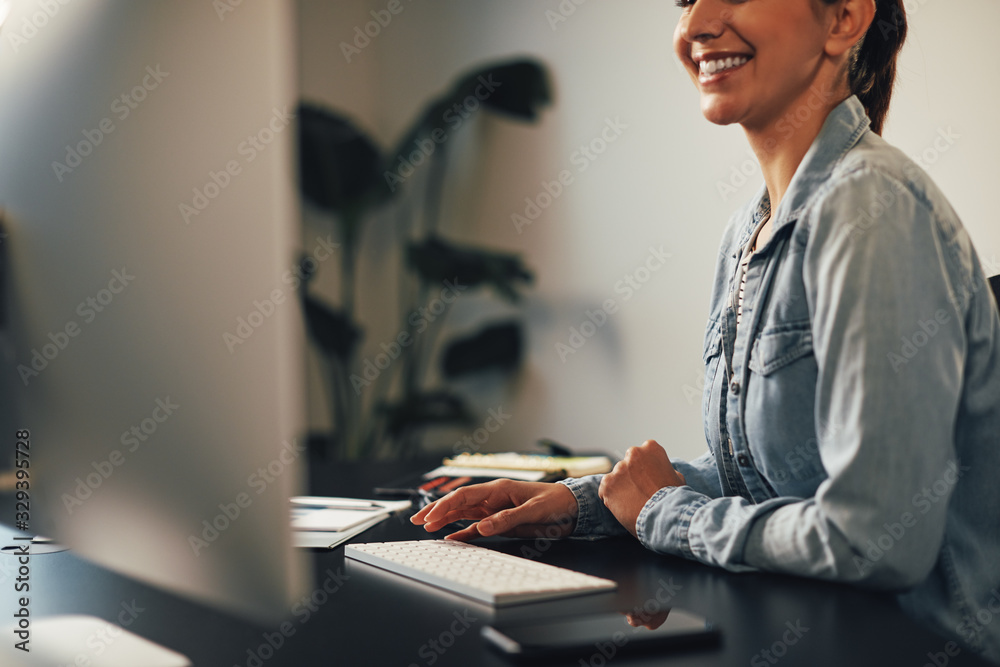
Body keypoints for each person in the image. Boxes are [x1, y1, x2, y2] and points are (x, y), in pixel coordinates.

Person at [412, 0, 1000, 661]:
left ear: (842, 20)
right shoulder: (748, 231)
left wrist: (663, 510)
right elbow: (765, 482)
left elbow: (876, 540)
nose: (696, 26)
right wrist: (586, 503)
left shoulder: (873, 206)